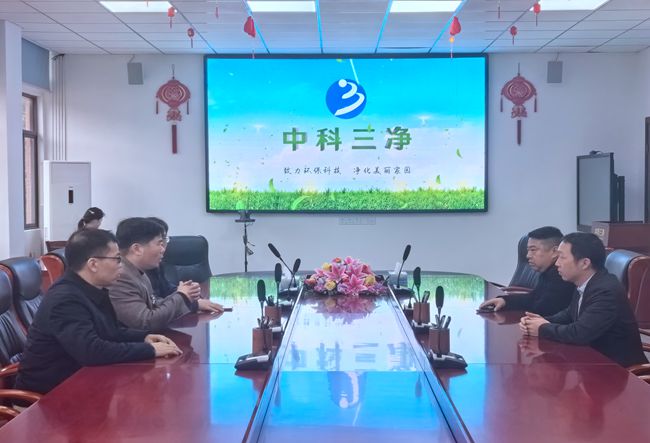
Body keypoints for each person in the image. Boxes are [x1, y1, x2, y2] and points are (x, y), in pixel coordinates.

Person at [15, 229, 182, 394]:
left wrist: (144, 337)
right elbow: (91, 351)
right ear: (93, 264)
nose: (122, 266)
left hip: (81, 381)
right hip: (48, 395)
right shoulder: (65, 299)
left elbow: (111, 331)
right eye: (117, 259)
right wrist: (149, 350)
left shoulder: (93, 289)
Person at [520, 232, 648, 368]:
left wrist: (542, 328)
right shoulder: (587, 282)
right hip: (595, 362)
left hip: (620, 371)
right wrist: (540, 321)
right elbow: (569, 314)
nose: (557, 263)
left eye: (562, 257)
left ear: (585, 263)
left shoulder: (605, 291)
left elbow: (579, 334)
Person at [109, 217, 223, 332]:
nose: (163, 249)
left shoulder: (138, 272)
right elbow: (146, 321)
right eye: (159, 243)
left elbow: (155, 304)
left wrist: (192, 303)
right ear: (137, 249)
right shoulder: (120, 276)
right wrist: (182, 296)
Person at [479, 226, 575, 316]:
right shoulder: (548, 272)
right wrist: (505, 301)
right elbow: (533, 297)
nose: (528, 255)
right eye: (528, 250)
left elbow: (543, 309)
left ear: (555, 252)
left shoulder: (562, 275)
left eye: (533, 250)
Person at [145, 217, 177, 298]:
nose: (162, 247)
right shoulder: (141, 269)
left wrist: (185, 292)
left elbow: (167, 288)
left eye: (165, 239)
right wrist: (183, 296)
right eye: (159, 241)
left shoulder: (157, 264)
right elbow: (154, 302)